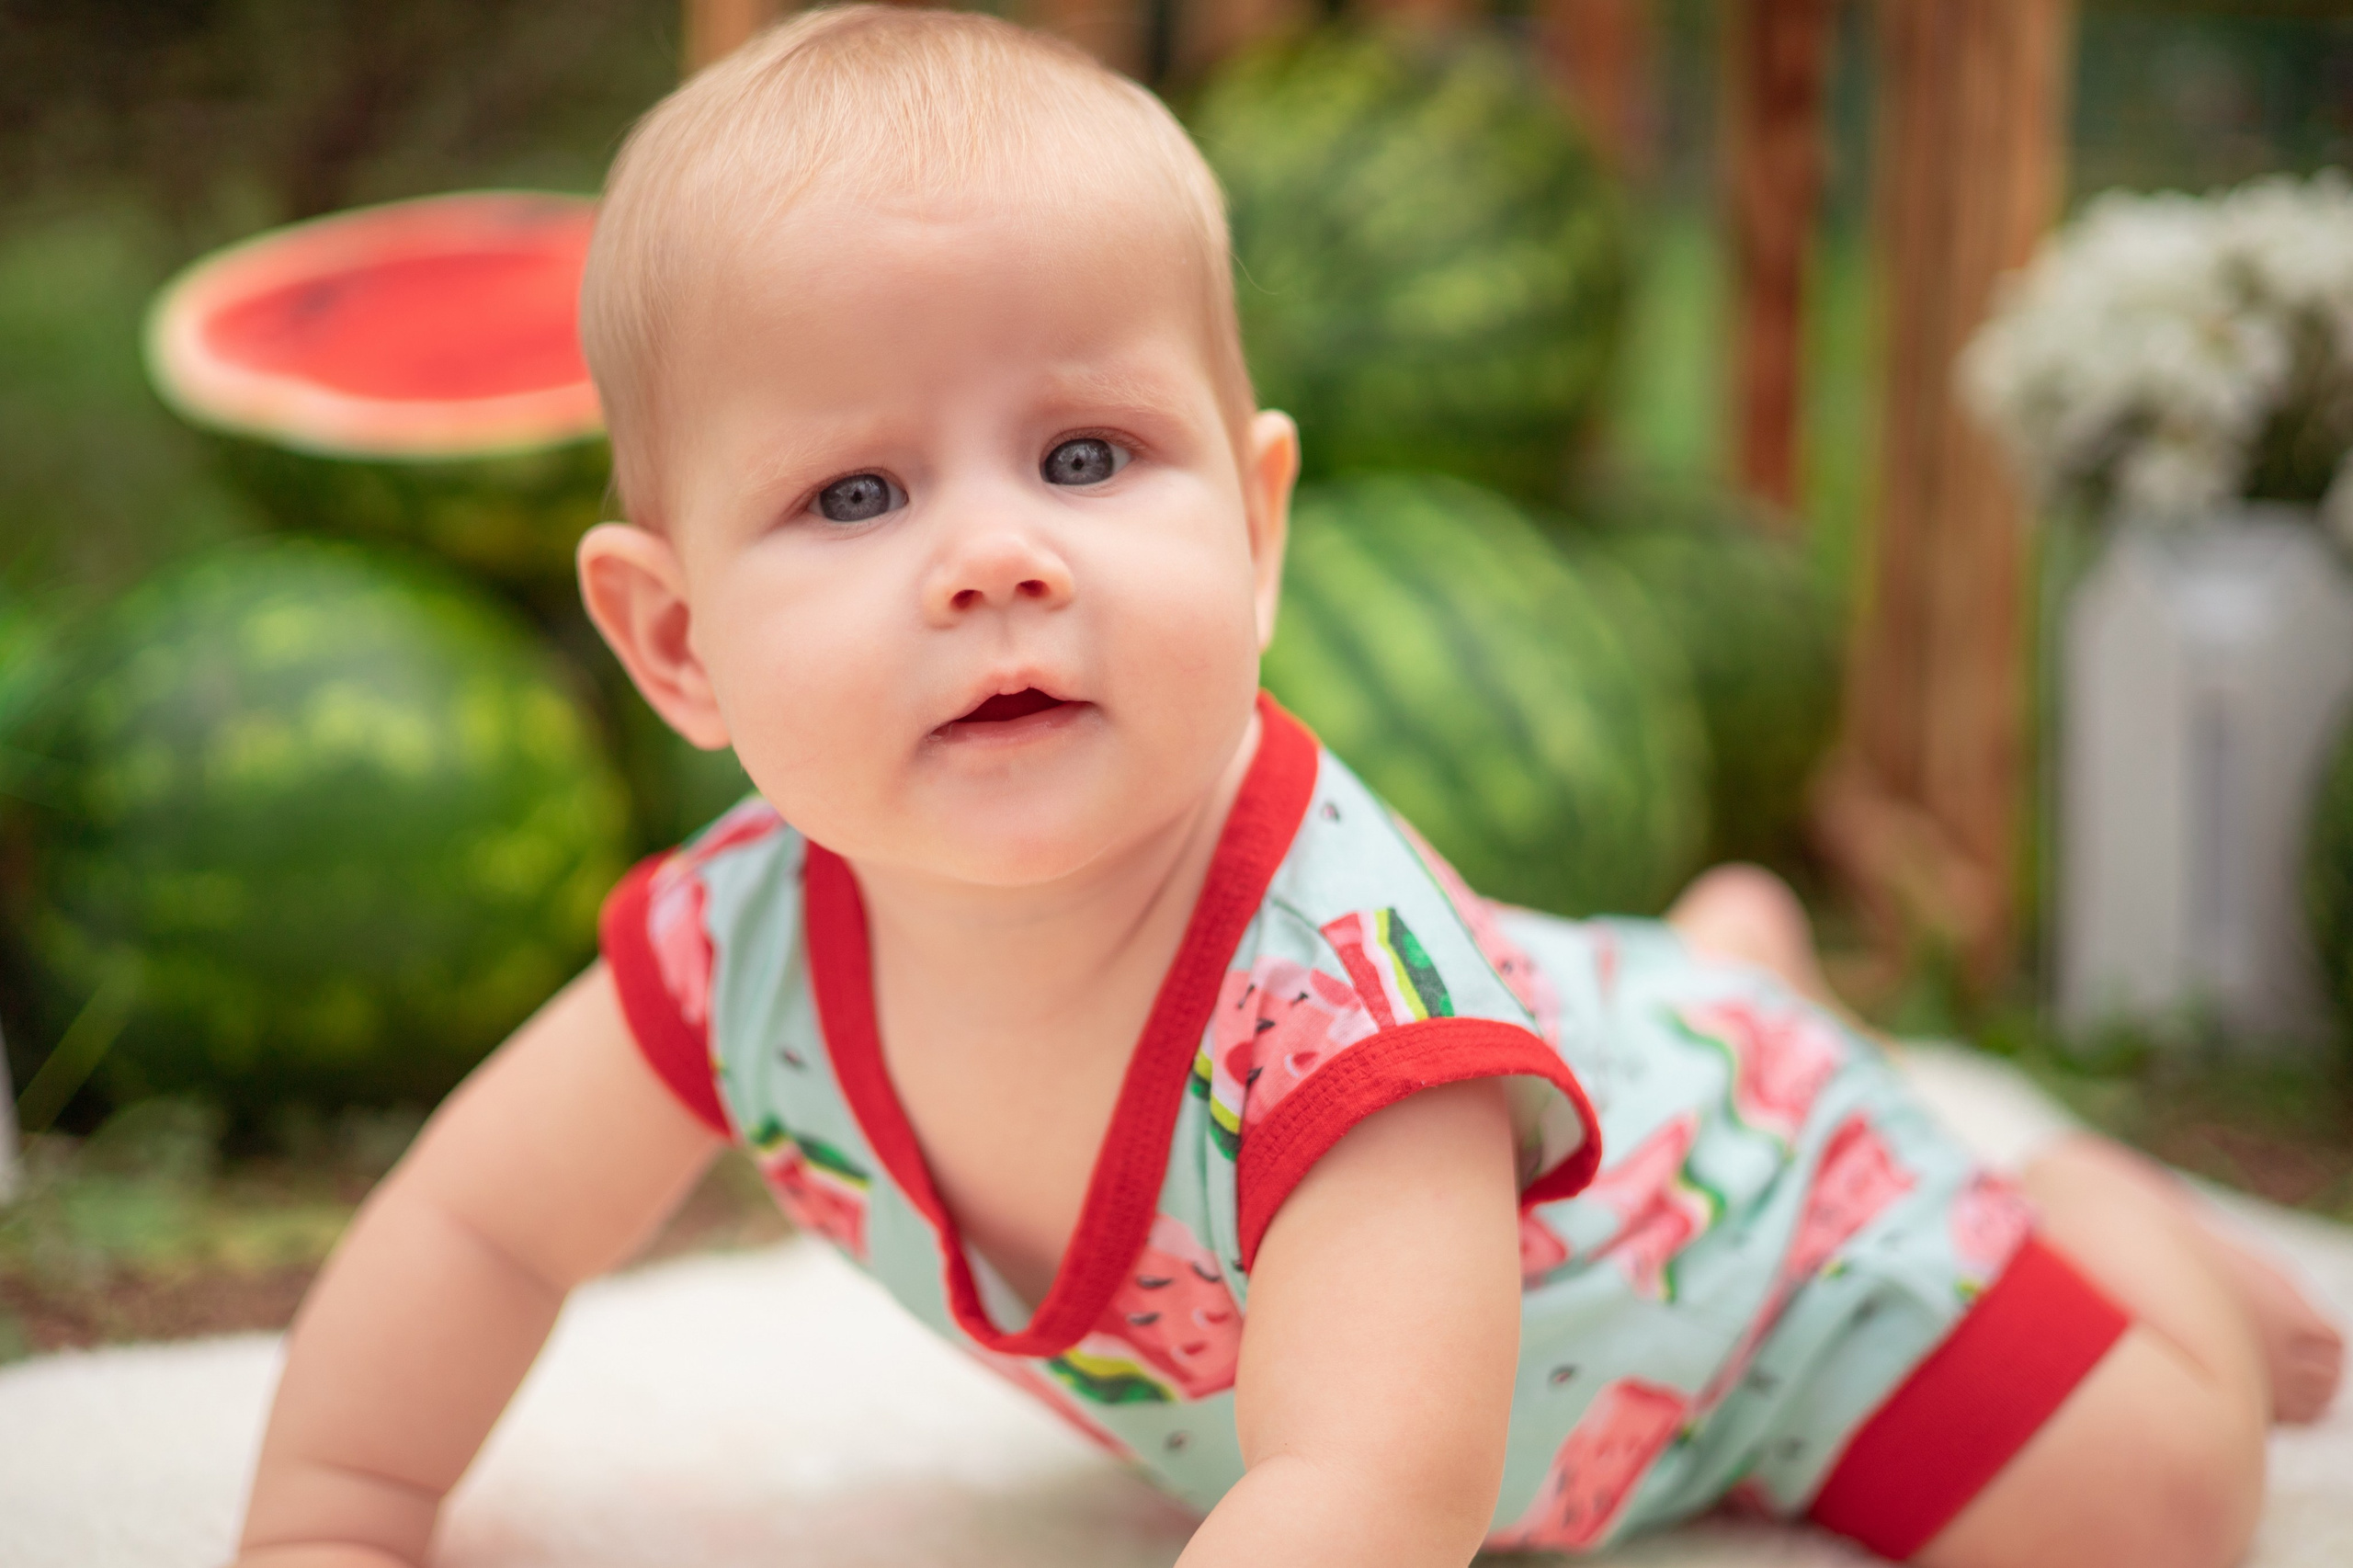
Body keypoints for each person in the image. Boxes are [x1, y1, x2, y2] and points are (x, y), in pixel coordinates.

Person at [232, 9, 2342, 1567]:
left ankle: (2065, 1204)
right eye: (853, 490)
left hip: (1769, 1265)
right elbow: (482, 1221)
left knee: (2147, 1503)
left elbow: (1361, 1486)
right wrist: (336, 1513)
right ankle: (1725, 956)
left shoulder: (1343, 1003)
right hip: (1597, 1044)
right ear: (673, 640)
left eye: (1082, 455)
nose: (996, 554)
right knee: (1660, 995)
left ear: (1254, 525)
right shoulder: (738, 941)